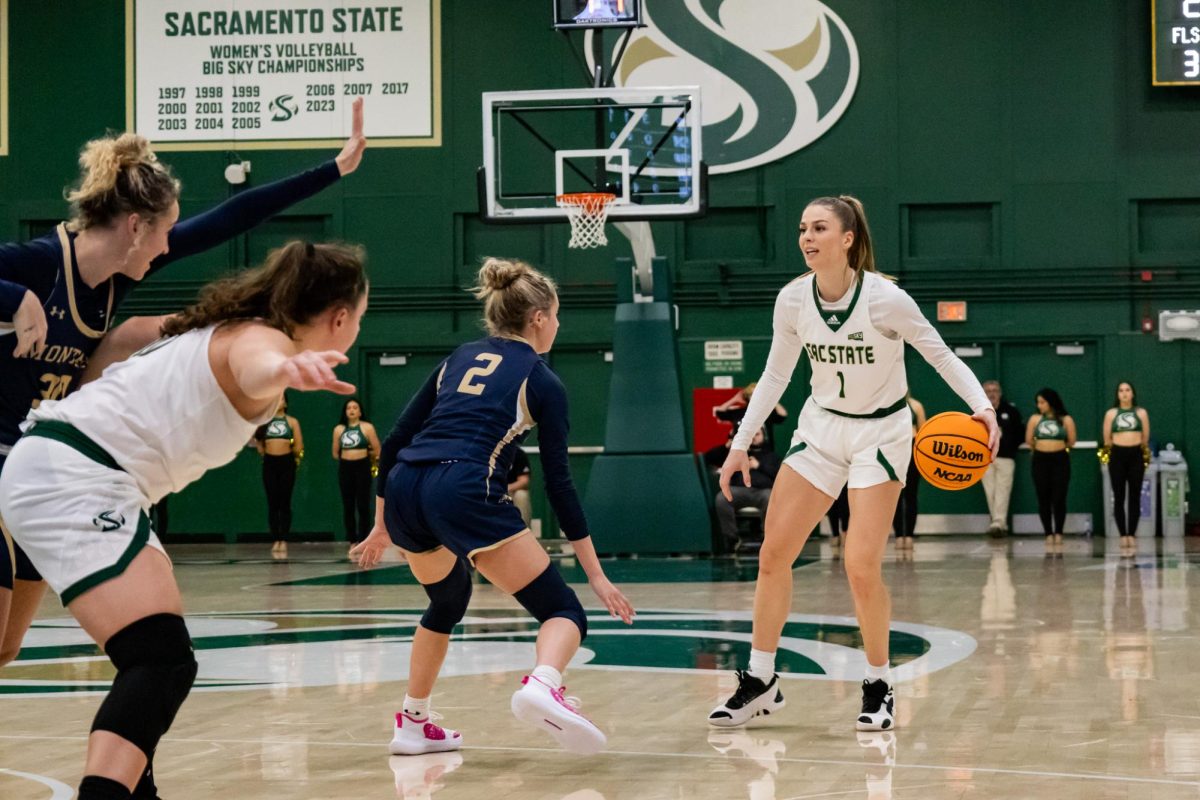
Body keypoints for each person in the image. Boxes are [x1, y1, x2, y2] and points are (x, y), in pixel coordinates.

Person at [0, 99, 367, 671]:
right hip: (10, 459)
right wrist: (13, 298)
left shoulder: (116, 281)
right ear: (134, 225)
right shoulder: (39, 264)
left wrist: (333, 169)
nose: (172, 245)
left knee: (6, 646)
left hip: (32, 456)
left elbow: (233, 216)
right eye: (166, 230)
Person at [0, 241, 368, 800]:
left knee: (145, 658)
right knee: (160, 659)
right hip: (76, 478)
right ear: (340, 317)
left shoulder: (221, 323)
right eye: (359, 319)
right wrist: (287, 368)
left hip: (64, 470)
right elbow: (258, 364)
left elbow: (128, 335)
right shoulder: (262, 340)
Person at [706, 195, 997, 734]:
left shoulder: (887, 300)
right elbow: (773, 377)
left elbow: (939, 353)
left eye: (818, 228)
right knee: (774, 554)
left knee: (860, 566)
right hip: (820, 428)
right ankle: (761, 679)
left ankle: (879, 685)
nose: (806, 238)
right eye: (802, 228)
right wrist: (740, 444)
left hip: (881, 434)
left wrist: (982, 407)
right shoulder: (793, 300)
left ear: (847, 239)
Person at [351, 257, 634, 757]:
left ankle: (413, 721)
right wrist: (595, 575)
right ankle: (545, 684)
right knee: (562, 610)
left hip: (404, 489)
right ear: (540, 318)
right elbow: (561, 484)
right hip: (461, 485)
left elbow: (396, 437)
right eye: (558, 316)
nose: (559, 325)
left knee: (447, 599)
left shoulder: (459, 356)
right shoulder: (542, 379)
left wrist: (379, 526)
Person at [703, 427, 780, 552]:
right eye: (752, 434)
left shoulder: (771, 456)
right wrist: (726, 447)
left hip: (763, 491)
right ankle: (732, 539)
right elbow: (708, 458)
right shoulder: (738, 453)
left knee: (770, 497)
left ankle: (767, 539)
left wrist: (759, 466)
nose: (754, 437)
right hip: (739, 490)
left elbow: (778, 475)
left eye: (758, 434)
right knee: (722, 498)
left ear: (764, 436)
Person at [1100, 381, 1150, 553]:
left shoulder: (1141, 413)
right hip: (1117, 456)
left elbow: (1145, 437)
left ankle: (1132, 533)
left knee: (1135, 495)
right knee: (1119, 495)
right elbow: (1107, 439)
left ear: (1133, 393)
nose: (1124, 393)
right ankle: (1123, 534)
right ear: (1117, 394)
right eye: (1121, 390)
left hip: (1136, 455)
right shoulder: (1111, 414)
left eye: (1128, 390)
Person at [1025, 388, 1076, 552]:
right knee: (1043, 497)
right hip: (1040, 460)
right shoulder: (1035, 419)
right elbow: (1028, 440)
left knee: (1059, 497)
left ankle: (1059, 532)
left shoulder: (1065, 419)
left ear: (1051, 402)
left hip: (1060, 460)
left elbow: (1072, 441)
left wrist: (1057, 447)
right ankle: (1048, 532)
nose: (1039, 406)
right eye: (1038, 403)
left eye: (1042, 402)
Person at [255, 395, 303, 556]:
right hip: (269, 463)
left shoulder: (292, 422)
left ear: (286, 402)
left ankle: (284, 539)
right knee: (272, 502)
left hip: (287, 462)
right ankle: (275, 538)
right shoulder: (265, 421)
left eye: (282, 398)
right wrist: (265, 451)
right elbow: (259, 442)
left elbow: (298, 445)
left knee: (285, 501)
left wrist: (289, 448)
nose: (279, 401)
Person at [332, 397, 381, 544]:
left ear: (360, 411)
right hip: (345, 468)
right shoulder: (339, 429)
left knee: (363, 504)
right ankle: (352, 540)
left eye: (355, 407)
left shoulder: (367, 427)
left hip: (363, 467)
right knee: (348, 504)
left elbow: (378, 450)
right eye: (349, 408)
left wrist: (368, 454)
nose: (352, 410)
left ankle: (364, 538)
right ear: (345, 412)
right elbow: (335, 453)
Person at [980, 380, 1023, 537]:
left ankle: (998, 522)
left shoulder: (1011, 411)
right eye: (988, 391)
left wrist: (1010, 446)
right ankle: (998, 523)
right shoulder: (979, 411)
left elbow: (1020, 433)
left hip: (1005, 457)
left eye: (995, 390)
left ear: (1000, 392)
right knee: (990, 490)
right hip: (984, 458)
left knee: (1003, 490)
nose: (992, 393)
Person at [891, 393, 925, 551]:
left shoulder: (915, 405)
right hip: (894, 449)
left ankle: (909, 535)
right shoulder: (888, 403)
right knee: (895, 495)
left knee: (911, 495)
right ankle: (898, 535)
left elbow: (923, 433)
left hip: (912, 448)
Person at [714, 383, 788, 452]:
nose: (755, 396)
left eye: (758, 394)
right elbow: (720, 412)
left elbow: (782, 415)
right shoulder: (739, 412)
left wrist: (771, 399)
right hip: (742, 451)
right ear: (747, 397)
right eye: (752, 394)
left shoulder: (766, 412)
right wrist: (735, 399)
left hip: (765, 453)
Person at [507, 446, 533, 527]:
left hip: (509, 491)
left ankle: (522, 530)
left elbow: (524, 481)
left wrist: (505, 488)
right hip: (489, 490)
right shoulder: (486, 452)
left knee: (521, 495)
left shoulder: (517, 453)